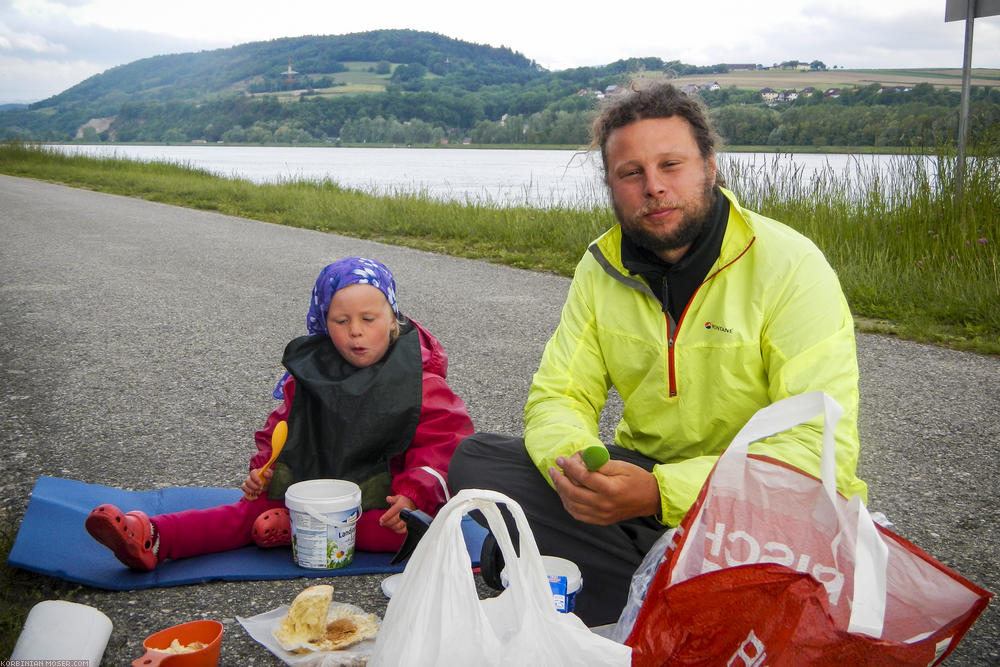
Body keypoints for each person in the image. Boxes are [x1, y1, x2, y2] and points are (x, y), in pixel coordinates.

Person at [448, 82, 868, 626]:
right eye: (631, 173)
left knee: (514, 548)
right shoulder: (601, 268)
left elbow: (820, 447)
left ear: (709, 167)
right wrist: (583, 475)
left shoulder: (790, 265)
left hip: (755, 502)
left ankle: (642, 589)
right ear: (611, 185)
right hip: (643, 486)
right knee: (476, 459)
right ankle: (681, 594)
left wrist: (659, 493)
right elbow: (559, 395)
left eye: (671, 165)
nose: (654, 187)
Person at [86, 257, 473, 570]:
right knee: (243, 514)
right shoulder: (310, 375)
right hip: (311, 487)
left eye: (368, 319)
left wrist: (412, 496)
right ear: (324, 324)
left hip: (381, 499)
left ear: (393, 320)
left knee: (403, 532)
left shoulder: (419, 381)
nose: (356, 331)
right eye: (341, 321)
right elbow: (283, 427)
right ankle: (153, 535)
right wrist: (264, 468)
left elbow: (445, 443)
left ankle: (294, 532)